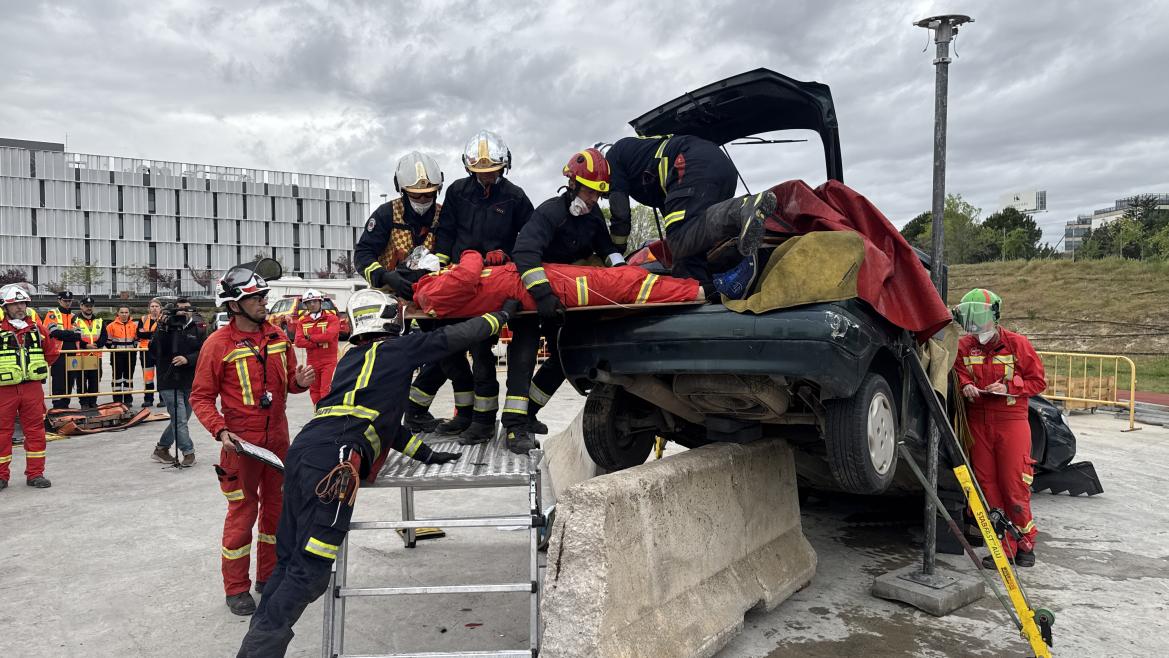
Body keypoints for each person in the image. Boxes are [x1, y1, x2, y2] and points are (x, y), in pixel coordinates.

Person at [234, 290, 519, 657]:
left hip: (306, 451)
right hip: (335, 460)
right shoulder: (399, 351)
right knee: (311, 570)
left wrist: (426, 453)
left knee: (288, 560)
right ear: (390, 319)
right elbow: (455, 337)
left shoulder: (352, 359)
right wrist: (503, 315)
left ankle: (257, 644)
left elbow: (383, 423)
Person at [190, 261, 315, 616]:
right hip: (240, 446)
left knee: (277, 514)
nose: (264, 302)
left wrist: (300, 383)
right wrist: (220, 430)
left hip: (278, 443)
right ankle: (236, 589)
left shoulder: (278, 337)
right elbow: (200, 397)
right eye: (256, 298)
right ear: (233, 305)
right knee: (242, 517)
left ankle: (269, 578)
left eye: (263, 296)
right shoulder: (218, 344)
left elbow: (289, 382)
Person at [503, 147, 626, 450]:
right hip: (533, 301)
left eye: (598, 195)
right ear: (572, 184)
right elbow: (525, 253)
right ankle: (513, 428)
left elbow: (606, 249)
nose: (593, 200)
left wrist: (624, 273)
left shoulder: (593, 216)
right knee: (523, 358)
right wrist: (543, 296)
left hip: (566, 302)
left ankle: (529, 413)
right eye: (588, 192)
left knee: (563, 358)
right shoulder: (550, 213)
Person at [354, 151, 477, 434]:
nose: (423, 201)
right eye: (416, 195)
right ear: (401, 189)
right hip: (392, 301)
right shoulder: (386, 215)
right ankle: (377, 420)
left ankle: (418, 411)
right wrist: (386, 276)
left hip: (432, 300)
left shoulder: (445, 215)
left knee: (449, 353)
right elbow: (362, 254)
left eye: (429, 194)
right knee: (387, 362)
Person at [433, 129, 534, 444]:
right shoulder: (457, 192)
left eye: (493, 172)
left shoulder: (515, 197)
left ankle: (487, 423)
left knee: (489, 351)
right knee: (462, 351)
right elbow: (446, 233)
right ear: (469, 169)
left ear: (504, 167)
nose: (488, 178)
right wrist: (441, 266)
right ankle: (471, 419)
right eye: (481, 173)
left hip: (500, 282)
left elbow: (530, 237)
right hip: (466, 281)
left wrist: (507, 255)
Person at [604, 134, 776, 298]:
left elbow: (621, 214)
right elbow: (679, 221)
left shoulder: (611, 158)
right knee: (688, 244)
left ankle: (741, 209)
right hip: (721, 167)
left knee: (679, 241)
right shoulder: (639, 157)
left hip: (690, 163)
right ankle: (709, 293)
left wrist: (614, 254)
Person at [953, 288, 1047, 569]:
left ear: (992, 316)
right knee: (986, 487)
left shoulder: (1018, 345)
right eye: (970, 320)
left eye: (978, 319)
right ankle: (1003, 548)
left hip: (1011, 421)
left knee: (1015, 485)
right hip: (977, 421)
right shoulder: (963, 346)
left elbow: (1038, 382)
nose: (975, 327)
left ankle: (1025, 543)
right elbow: (957, 371)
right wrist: (965, 384)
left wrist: (1008, 386)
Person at [0, 284, 59, 490]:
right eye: (14, 304)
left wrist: (36, 369)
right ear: (5, 307)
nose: (20, 307)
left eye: (22, 303)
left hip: (32, 388)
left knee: (35, 432)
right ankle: (1, 476)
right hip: (4, 389)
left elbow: (51, 353)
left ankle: (35, 474)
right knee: (2, 433)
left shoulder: (37, 329)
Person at [149, 298, 205, 466]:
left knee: (181, 420)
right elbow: (153, 351)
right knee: (179, 420)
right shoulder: (165, 327)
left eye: (186, 309)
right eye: (178, 309)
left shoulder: (198, 328)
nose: (182, 312)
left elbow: (204, 351)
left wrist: (188, 359)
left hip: (189, 381)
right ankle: (188, 452)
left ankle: (162, 448)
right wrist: (161, 328)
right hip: (168, 380)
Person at [292, 289, 339, 405]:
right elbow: (298, 341)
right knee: (314, 390)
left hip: (329, 361)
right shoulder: (302, 321)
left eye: (315, 301)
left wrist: (309, 337)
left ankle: (326, 416)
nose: (312, 304)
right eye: (309, 302)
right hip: (312, 361)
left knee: (326, 390)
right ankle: (318, 414)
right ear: (306, 305)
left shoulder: (332, 318)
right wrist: (317, 342)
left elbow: (329, 337)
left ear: (320, 302)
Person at [40, 290, 82, 409]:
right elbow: (54, 333)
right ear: (59, 300)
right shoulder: (52, 314)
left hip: (72, 353)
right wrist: (70, 334)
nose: (68, 303)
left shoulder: (74, 316)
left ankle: (66, 405)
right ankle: (58, 406)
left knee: (70, 380)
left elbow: (78, 335)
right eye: (65, 301)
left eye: (70, 301)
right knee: (59, 380)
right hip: (58, 353)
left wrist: (64, 334)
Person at [74, 296, 107, 409]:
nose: (89, 308)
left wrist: (96, 345)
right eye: (86, 306)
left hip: (95, 355)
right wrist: (85, 345)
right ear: (81, 306)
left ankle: (93, 401)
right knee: (81, 380)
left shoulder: (99, 321)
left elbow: (104, 336)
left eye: (91, 306)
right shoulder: (75, 320)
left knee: (95, 380)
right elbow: (74, 337)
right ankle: (84, 403)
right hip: (81, 355)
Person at [106, 305, 139, 406]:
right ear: (118, 314)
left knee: (128, 377)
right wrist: (114, 348)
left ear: (129, 314)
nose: (124, 314)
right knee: (117, 377)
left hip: (130, 355)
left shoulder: (134, 325)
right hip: (117, 355)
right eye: (122, 312)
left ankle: (128, 400)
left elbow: (137, 339)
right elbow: (107, 342)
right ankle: (117, 400)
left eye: (126, 312)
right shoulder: (111, 326)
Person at [138, 298, 163, 408]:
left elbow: (163, 334)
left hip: (161, 350)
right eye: (152, 306)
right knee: (148, 377)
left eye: (156, 306)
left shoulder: (164, 319)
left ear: (160, 308)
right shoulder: (143, 319)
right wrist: (154, 334)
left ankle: (163, 399)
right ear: (149, 308)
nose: (154, 309)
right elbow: (139, 334)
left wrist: (147, 333)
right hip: (146, 352)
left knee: (161, 376)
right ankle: (148, 399)